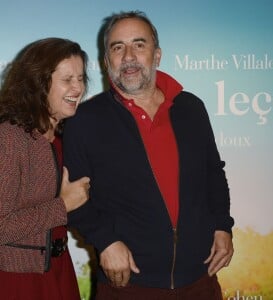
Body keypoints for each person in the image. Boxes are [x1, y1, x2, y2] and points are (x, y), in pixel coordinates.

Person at [64, 11, 234, 300]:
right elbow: (72, 197)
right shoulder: (84, 120)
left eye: (139, 44)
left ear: (157, 55)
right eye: (118, 47)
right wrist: (105, 241)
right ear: (107, 62)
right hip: (128, 285)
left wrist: (222, 226)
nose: (128, 56)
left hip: (200, 280)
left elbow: (213, 174)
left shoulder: (191, 108)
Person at [0, 37, 91, 300]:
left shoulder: (66, 138)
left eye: (81, 78)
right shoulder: (9, 138)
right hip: (17, 282)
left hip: (59, 273)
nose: (78, 88)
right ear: (38, 84)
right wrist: (62, 206)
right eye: (67, 80)